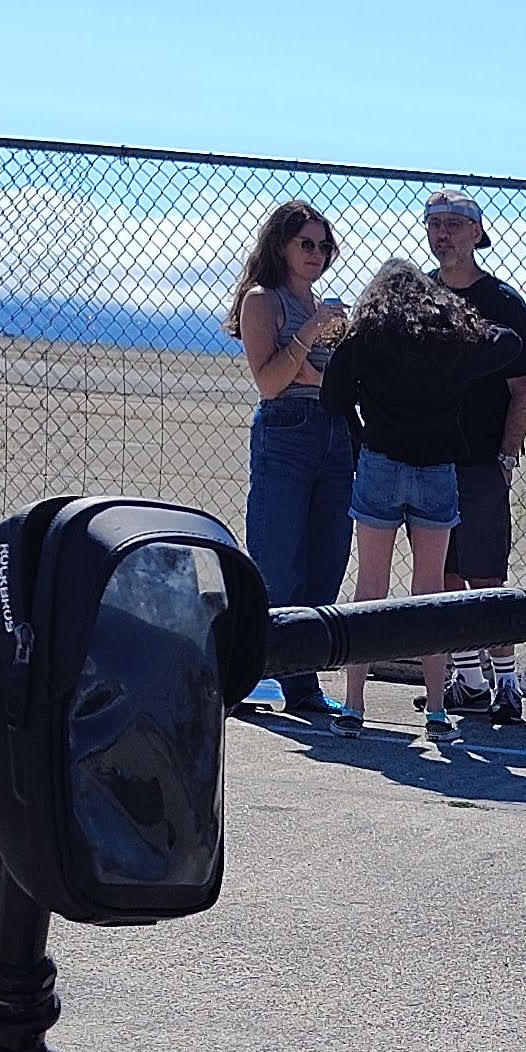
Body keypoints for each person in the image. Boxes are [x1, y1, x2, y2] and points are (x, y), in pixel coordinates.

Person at [321, 259, 492, 731]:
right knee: (430, 589)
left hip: (381, 462)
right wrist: (466, 325)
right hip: (436, 468)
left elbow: (332, 399)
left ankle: (355, 705)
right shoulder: (449, 339)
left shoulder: (368, 337)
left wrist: (364, 431)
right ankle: (436, 708)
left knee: (370, 588)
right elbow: (506, 345)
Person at [419, 189, 526, 726]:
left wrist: (507, 453)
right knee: (443, 571)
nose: (442, 234)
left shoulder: (504, 303)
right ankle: (467, 679)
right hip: (428, 457)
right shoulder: (419, 295)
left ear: (476, 233)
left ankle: (507, 683)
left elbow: (523, 386)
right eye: (434, 224)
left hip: (480, 461)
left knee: (487, 571)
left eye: (452, 225)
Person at [231, 201, 357, 715]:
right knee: (275, 560)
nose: (317, 254)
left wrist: (316, 368)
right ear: (280, 244)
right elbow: (270, 381)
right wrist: (307, 339)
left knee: (325, 559)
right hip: (287, 433)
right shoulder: (265, 302)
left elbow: (339, 385)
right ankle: (245, 676)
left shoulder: (329, 309)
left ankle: (301, 683)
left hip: (336, 434)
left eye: (324, 246)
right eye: (306, 243)